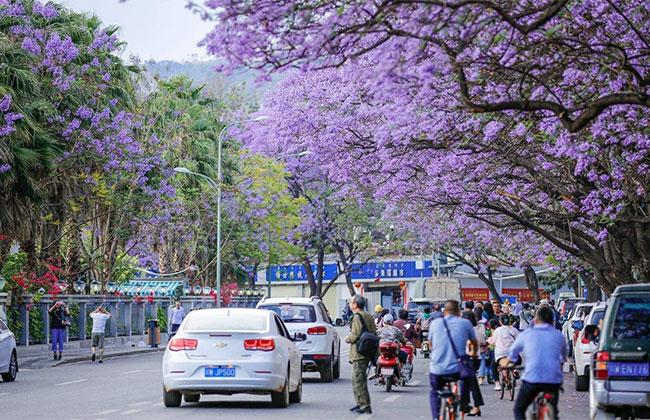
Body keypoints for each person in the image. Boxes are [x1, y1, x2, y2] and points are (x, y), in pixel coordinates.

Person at [505, 306, 568, 420]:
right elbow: (564, 355)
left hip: (532, 379)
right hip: (553, 381)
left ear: (536, 320)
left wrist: (509, 362)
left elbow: (513, 352)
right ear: (552, 322)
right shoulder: (558, 335)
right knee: (554, 409)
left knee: (519, 409)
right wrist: (561, 362)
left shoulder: (527, 334)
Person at [429, 300, 479, 419]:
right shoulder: (466, 323)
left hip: (437, 369)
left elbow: (431, 345)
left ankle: (436, 417)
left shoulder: (435, 324)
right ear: (458, 312)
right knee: (469, 377)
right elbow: (474, 343)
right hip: (458, 369)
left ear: (444, 312)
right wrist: (473, 353)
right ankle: (464, 403)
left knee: (435, 391)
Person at [345, 294, 376, 415]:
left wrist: (348, 339)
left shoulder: (357, 317)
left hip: (360, 352)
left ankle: (364, 405)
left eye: (351, 302)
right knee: (360, 379)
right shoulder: (368, 315)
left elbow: (355, 335)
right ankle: (361, 403)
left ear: (355, 305)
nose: (349, 304)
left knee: (358, 380)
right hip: (368, 350)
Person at [461, 310, 484, 416]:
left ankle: (475, 406)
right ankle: (469, 405)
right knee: (468, 381)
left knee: (471, 382)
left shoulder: (467, 330)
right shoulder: (478, 328)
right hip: (477, 358)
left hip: (469, 357)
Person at [492, 314, 520, 391]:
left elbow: (494, 342)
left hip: (500, 355)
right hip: (512, 354)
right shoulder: (514, 330)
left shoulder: (497, 330)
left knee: (493, 366)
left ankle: (497, 383)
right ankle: (515, 370)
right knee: (519, 359)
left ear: (500, 321)